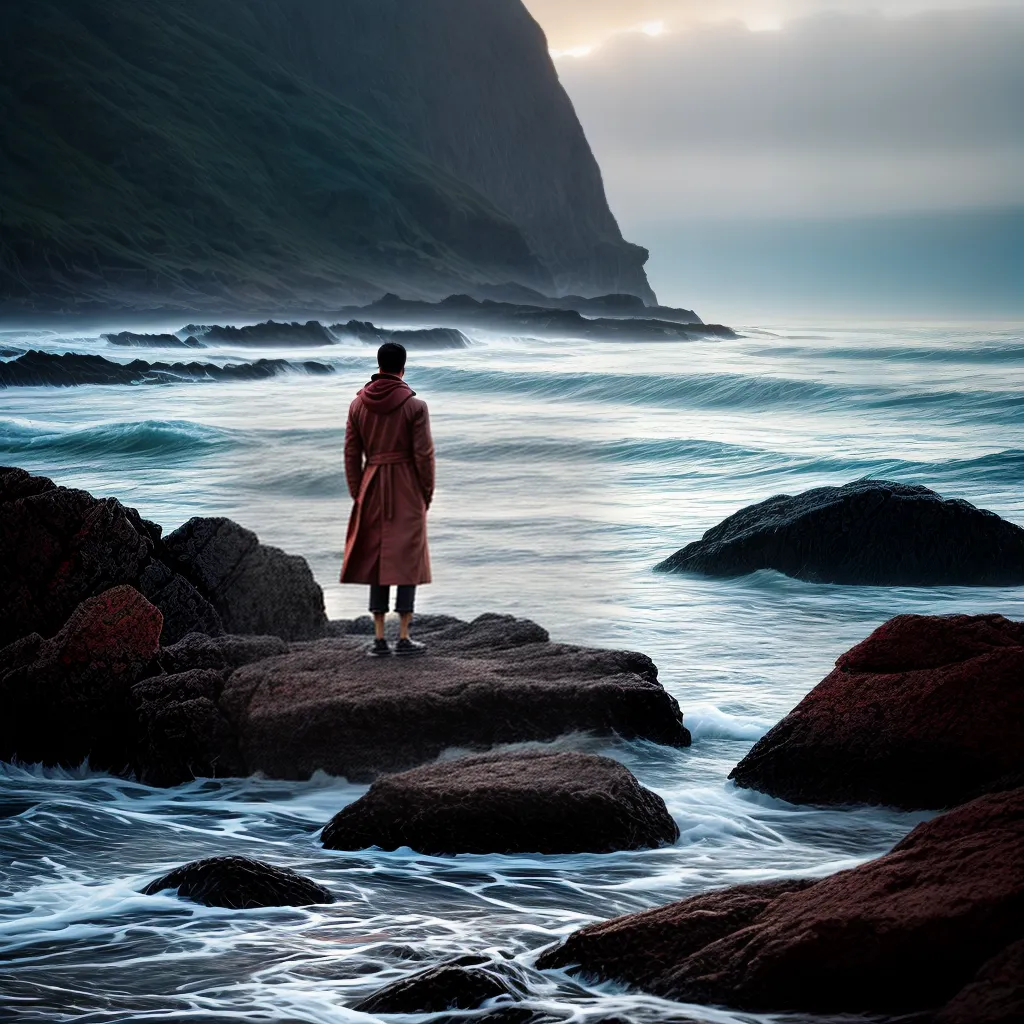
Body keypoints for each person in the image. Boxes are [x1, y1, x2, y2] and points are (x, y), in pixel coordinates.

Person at [340, 342, 435, 656]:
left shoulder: (357, 406)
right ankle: (404, 637)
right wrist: (426, 493)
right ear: (403, 367)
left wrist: (358, 492)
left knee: (376, 559)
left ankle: (379, 638)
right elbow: (424, 456)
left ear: (379, 365)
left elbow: (351, 455)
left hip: (372, 484)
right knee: (407, 559)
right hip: (407, 484)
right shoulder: (416, 407)